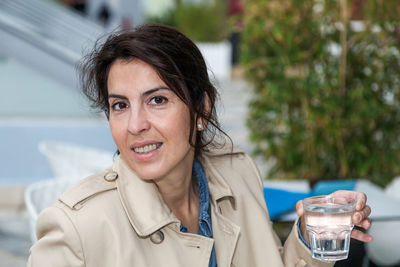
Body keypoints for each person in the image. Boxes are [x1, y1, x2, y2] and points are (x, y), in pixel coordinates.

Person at [27, 24, 372, 267]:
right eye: (120, 105)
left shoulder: (236, 173)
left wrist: (309, 237)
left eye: (157, 100)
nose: (135, 125)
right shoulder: (76, 228)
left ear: (201, 110)